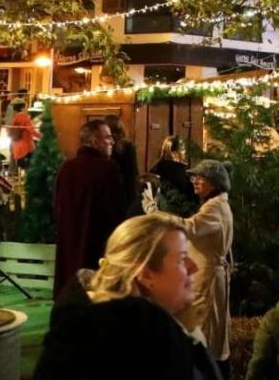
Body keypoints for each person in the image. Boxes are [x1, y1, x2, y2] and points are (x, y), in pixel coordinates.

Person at [33, 213, 220, 380]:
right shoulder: (147, 347)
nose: (193, 267)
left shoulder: (80, 327)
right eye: (181, 258)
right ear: (146, 274)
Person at [53, 120, 127, 294]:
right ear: (95, 142)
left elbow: (57, 206)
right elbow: (117, 211)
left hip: (70, 243)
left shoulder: (66, 168)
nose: (112, 142)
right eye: (108, 137)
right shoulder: (108, 168)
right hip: (99, 246)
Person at [181, 159, 235, 377]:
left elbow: (191, 227)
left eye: (199, 178)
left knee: (208, 336)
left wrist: (157, 216)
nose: (194, 181)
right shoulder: (215, 205)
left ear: (213, 183)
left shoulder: (214, 208)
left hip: (209, 280)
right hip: (208, 277)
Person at [153, 135, 199, 215]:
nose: (185, 153)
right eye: (183, 149)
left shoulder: (159, 167)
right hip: (176, 211)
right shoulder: (176, 170)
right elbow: (178, 195)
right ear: (174, 153)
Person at [105, 115, 141, 213]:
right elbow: (132, 172)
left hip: (109, 189)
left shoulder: (104, 145)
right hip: (125, 189)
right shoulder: (127, 146)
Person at [6, 99, 38, 165]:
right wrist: (43, 136)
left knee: (20, 168)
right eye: (26, 107)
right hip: (26, 148)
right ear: (22, 108)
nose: (27, 109)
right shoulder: (24, 117)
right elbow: (32, 131)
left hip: (17, 147)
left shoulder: (14, 118)